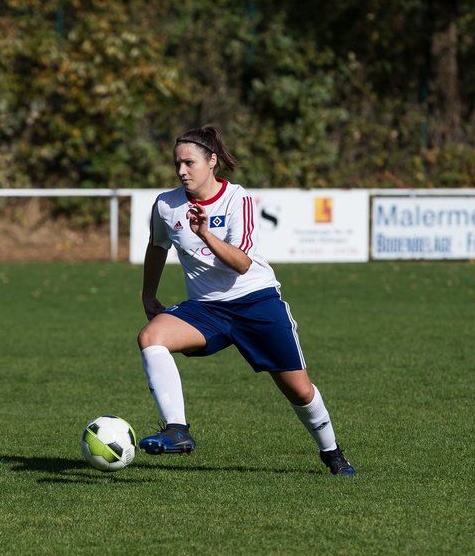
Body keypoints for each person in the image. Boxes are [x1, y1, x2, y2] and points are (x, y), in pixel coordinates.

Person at [137, 125, 356, 476]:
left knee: (299, 391)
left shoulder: (238, 199)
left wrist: (205, 233)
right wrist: (148, 294)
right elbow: (157, 246)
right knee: (150, 337)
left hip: (256, 303)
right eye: (177, 163)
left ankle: (331, 451)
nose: (181, 171)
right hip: (207, 309)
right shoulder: (166, 204)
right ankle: (177, 430)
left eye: (189, 163)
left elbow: (241, 263)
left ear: (212, 162)